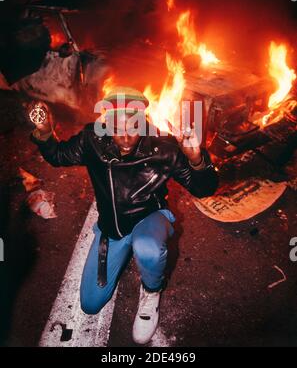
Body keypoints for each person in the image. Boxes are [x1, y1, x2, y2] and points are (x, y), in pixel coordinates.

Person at [31, 86, 219, 345]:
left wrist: (196, 159)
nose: (126, 137)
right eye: (118, 128)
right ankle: (124, 248)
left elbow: (204, 188)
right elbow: (58, 156)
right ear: (106, 124)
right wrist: (44, 134)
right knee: (90, 303)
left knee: (147, 247)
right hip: (113, 229)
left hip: (149, 219)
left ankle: (151, 291)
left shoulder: (163, 149)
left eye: (133, 126)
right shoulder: (92, 141)